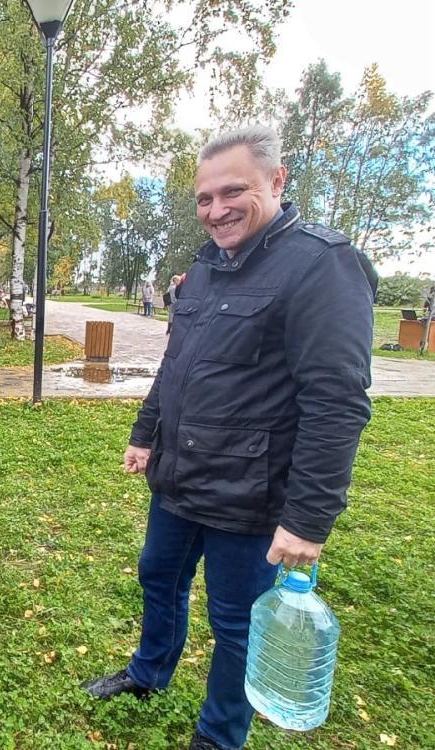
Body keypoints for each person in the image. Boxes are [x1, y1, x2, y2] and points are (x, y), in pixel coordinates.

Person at [80, 125, 377, 750]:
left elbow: (337, 402)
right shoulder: (208, 266)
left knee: (237, 623)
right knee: (157, 577)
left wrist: (309, 517)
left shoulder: (323, 265)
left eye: (232, 192)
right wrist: (145, 432)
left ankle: (218, 736)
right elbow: (176, 365)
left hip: (250, 496)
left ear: (277, 180)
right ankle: (149, 672)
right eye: (204, 198)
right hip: (178, 480)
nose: (216, 211)